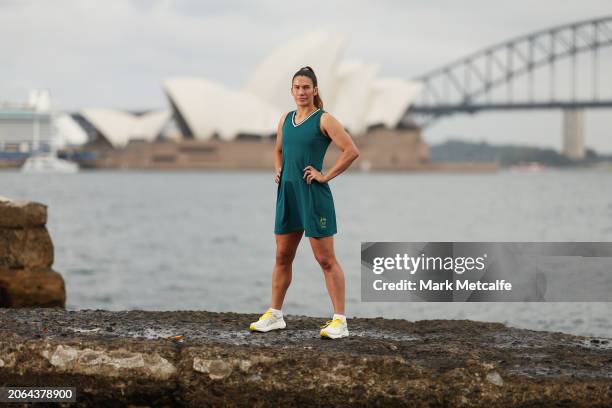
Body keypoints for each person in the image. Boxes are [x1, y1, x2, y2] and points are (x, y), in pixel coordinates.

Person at [249, 66, 360, 339]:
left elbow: (351, 151)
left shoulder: (324, 120)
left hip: (312, 194)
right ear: (291, 91)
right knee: (282, 256)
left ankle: (340, 321)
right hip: (287, 195)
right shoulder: (285, 119)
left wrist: (326, 176)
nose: (301, 92)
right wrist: (279, 169)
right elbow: (278, 149)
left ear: (315, 90)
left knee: (325, 259)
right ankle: (275, 314)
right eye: (297, 87)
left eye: (306, 87)